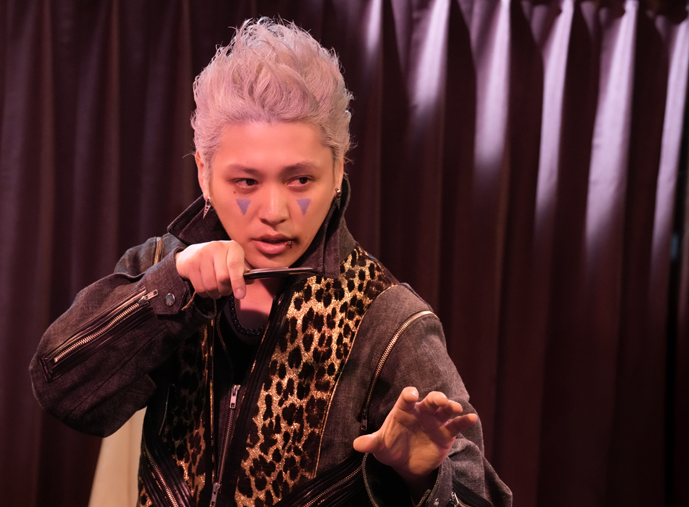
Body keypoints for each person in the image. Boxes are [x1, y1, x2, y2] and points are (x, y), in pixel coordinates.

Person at [30, 18, 511, 507]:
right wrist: (171, 289)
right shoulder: (162, 267)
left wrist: (423, 478)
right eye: (246, 182)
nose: (274, 212)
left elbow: (480, 496)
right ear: (204, 173)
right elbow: (60, 388)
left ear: (338, 170)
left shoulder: (387, 320)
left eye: (300, 180)